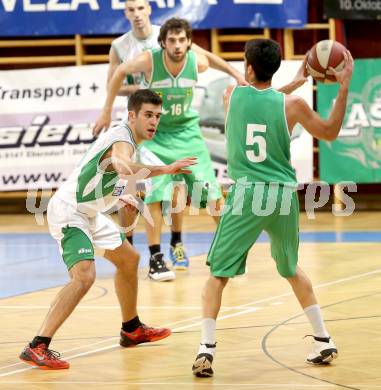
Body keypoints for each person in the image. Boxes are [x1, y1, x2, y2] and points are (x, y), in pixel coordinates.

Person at [191, 39, 354, 377]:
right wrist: (343, 88)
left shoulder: (231, 96)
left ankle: (206, 349)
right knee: (291, 268)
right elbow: (331, 132)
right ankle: (323, 339)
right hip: (282, 196)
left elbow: (256, 98)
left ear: (249, 68)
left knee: (218, 275)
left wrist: (293, 80)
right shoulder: (292, 105)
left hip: (247, 195)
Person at [19, 89, 196, 370]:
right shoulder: (121, 137)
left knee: (129, 259)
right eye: (148, 115)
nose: (154, 121)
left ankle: (131, 329)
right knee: (84, 277)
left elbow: (109, 172)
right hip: (70, 211)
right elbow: (122, 165)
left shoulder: (127, 141)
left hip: (89, 212)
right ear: (132, 116)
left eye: (158, 116)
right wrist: (167, 169)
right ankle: (37, 345)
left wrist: (120, 196)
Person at [94, 17, 249, 283]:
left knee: (212, 193)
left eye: (182, 40)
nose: (177, 45)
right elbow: (119, 72)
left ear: (189, 43)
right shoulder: (148, 60)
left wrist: (237, 75)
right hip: (155, 134)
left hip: (187, 132)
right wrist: (106, 110)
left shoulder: (196, 61)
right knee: (157, 193)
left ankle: (228, 252)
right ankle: (156, 257)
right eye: (172, 40)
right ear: (163, 43)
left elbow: (212, 59)